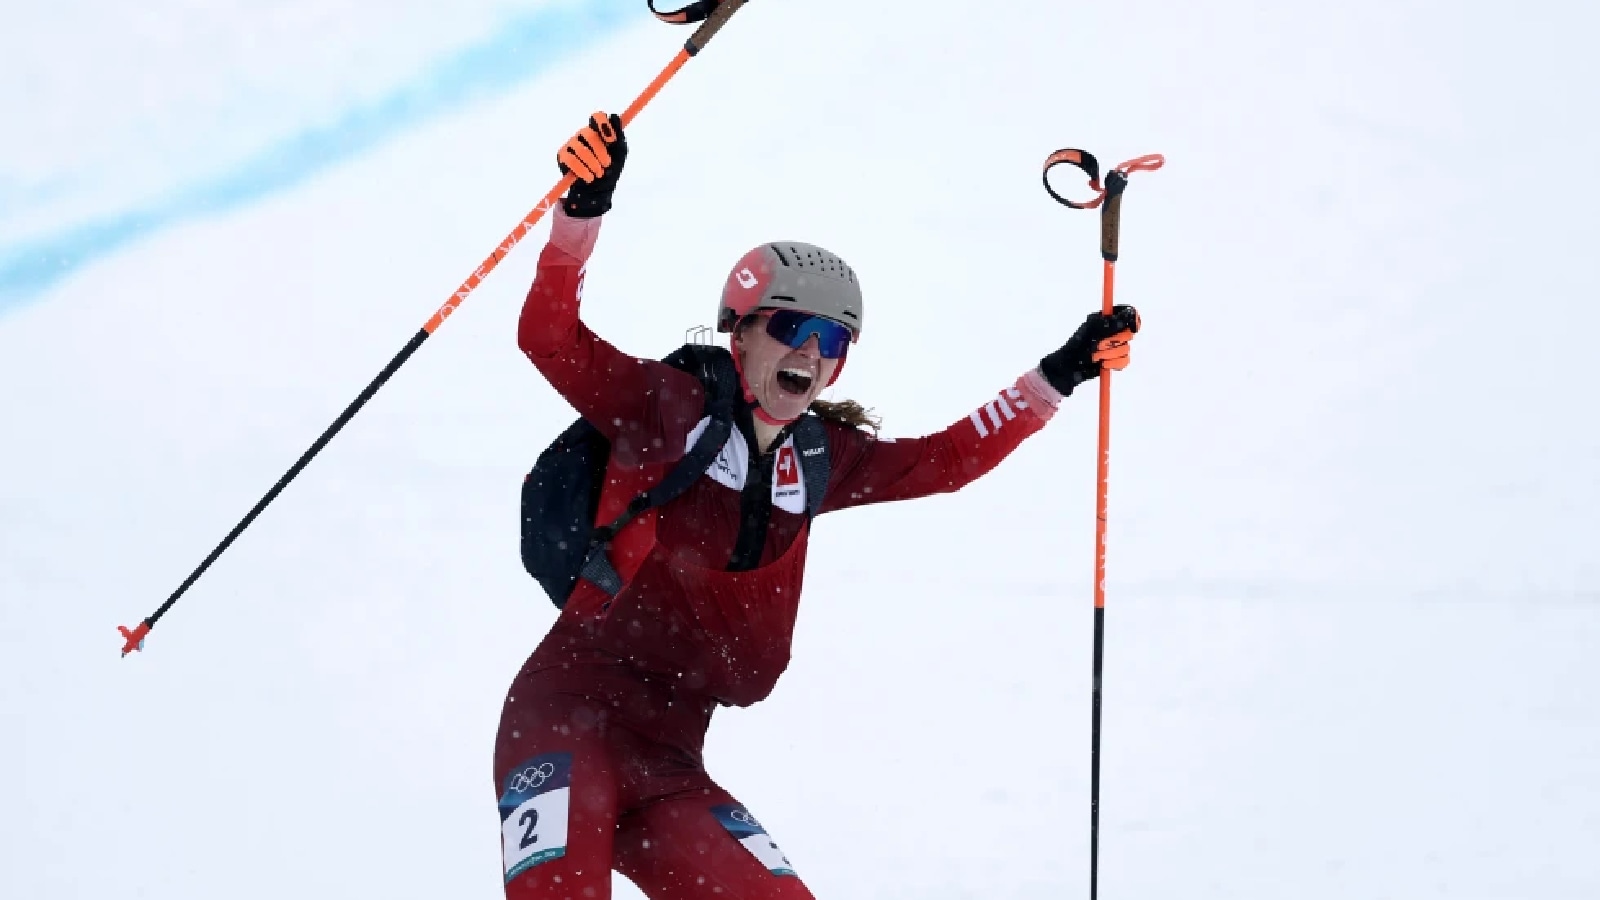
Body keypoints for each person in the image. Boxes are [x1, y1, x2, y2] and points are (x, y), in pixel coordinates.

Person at [494, 112, 1141, 900]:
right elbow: (550, 339)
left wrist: (1061, 373)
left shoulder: (820, 460)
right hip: (565, 721)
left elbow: (946, 460)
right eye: (792, 328)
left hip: (667, 760)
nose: (810, 353)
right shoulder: (666, 406)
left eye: (832, 341)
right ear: (740, 334)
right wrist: (580, 215)